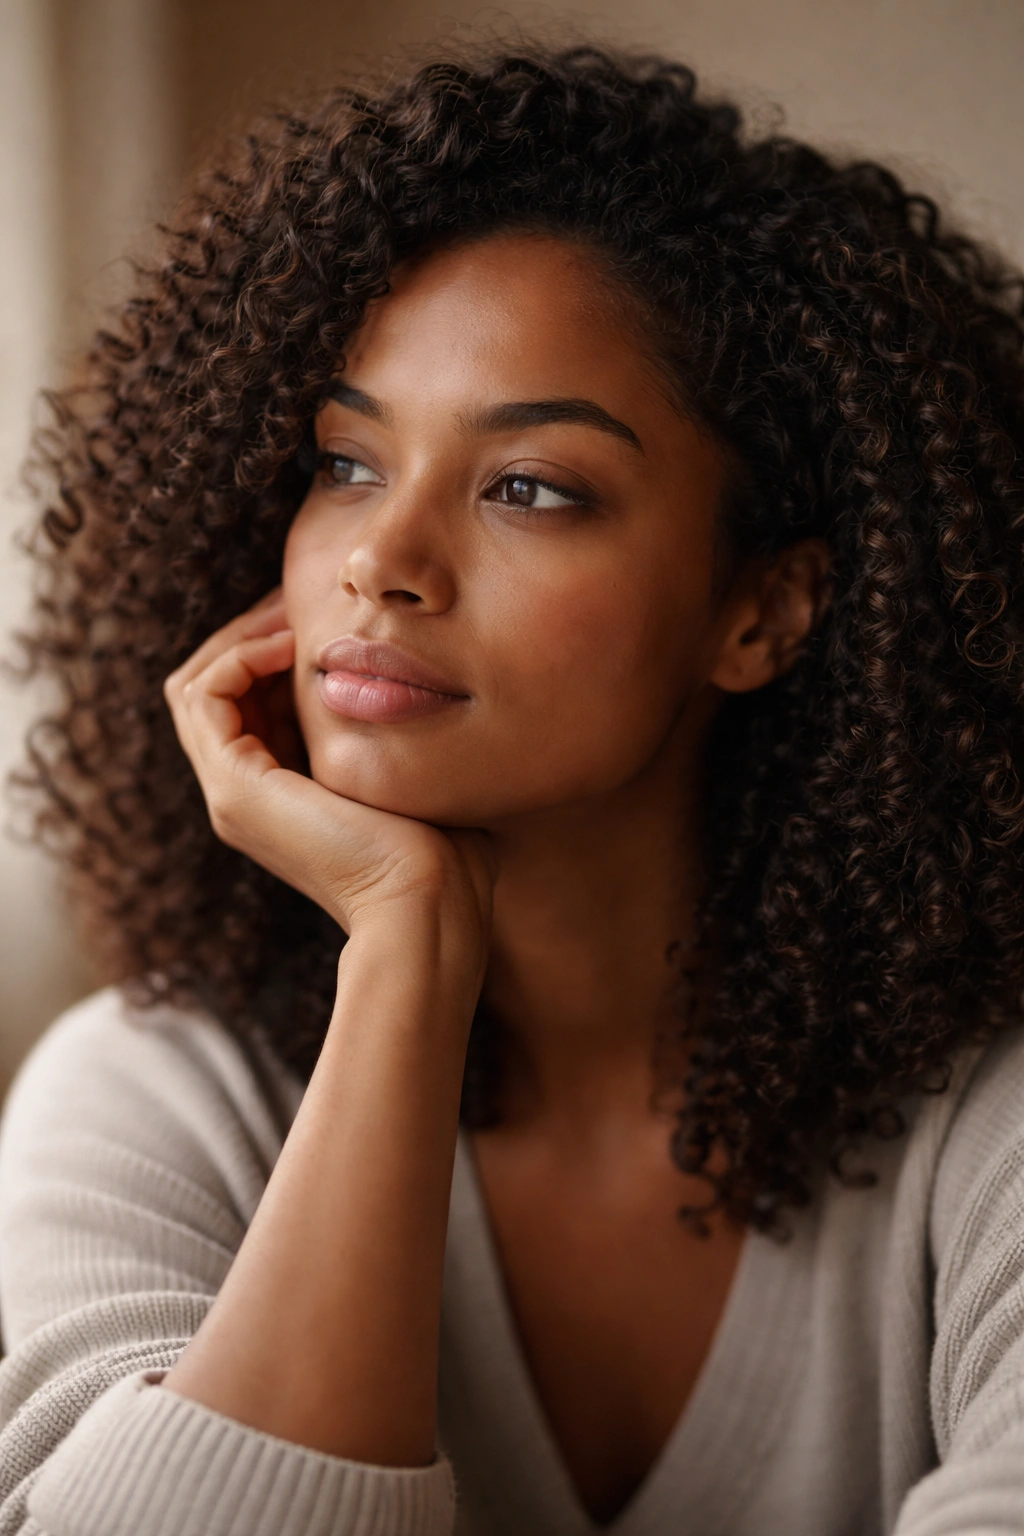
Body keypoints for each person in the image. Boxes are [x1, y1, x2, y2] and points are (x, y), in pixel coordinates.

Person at [1, 41, 1024, 1536]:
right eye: (345, 462)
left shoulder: (986, 1114)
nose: (382, 561)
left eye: (528, 486)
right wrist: (406, 954)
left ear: (762, 614)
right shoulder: (156, 1089)